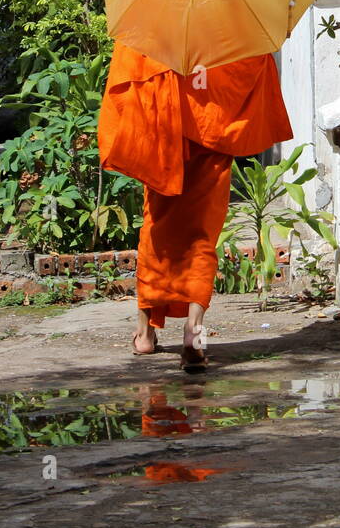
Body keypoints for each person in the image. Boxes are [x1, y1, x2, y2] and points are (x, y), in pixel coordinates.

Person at [98, 44, 292, 370]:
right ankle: (194, 335)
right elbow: (251, 70)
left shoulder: (153, 27)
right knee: (202, 240)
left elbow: (129, 79)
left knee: (156, 233)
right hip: (213, 137)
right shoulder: (227, 30)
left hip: (163, 140)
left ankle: (144, 337)